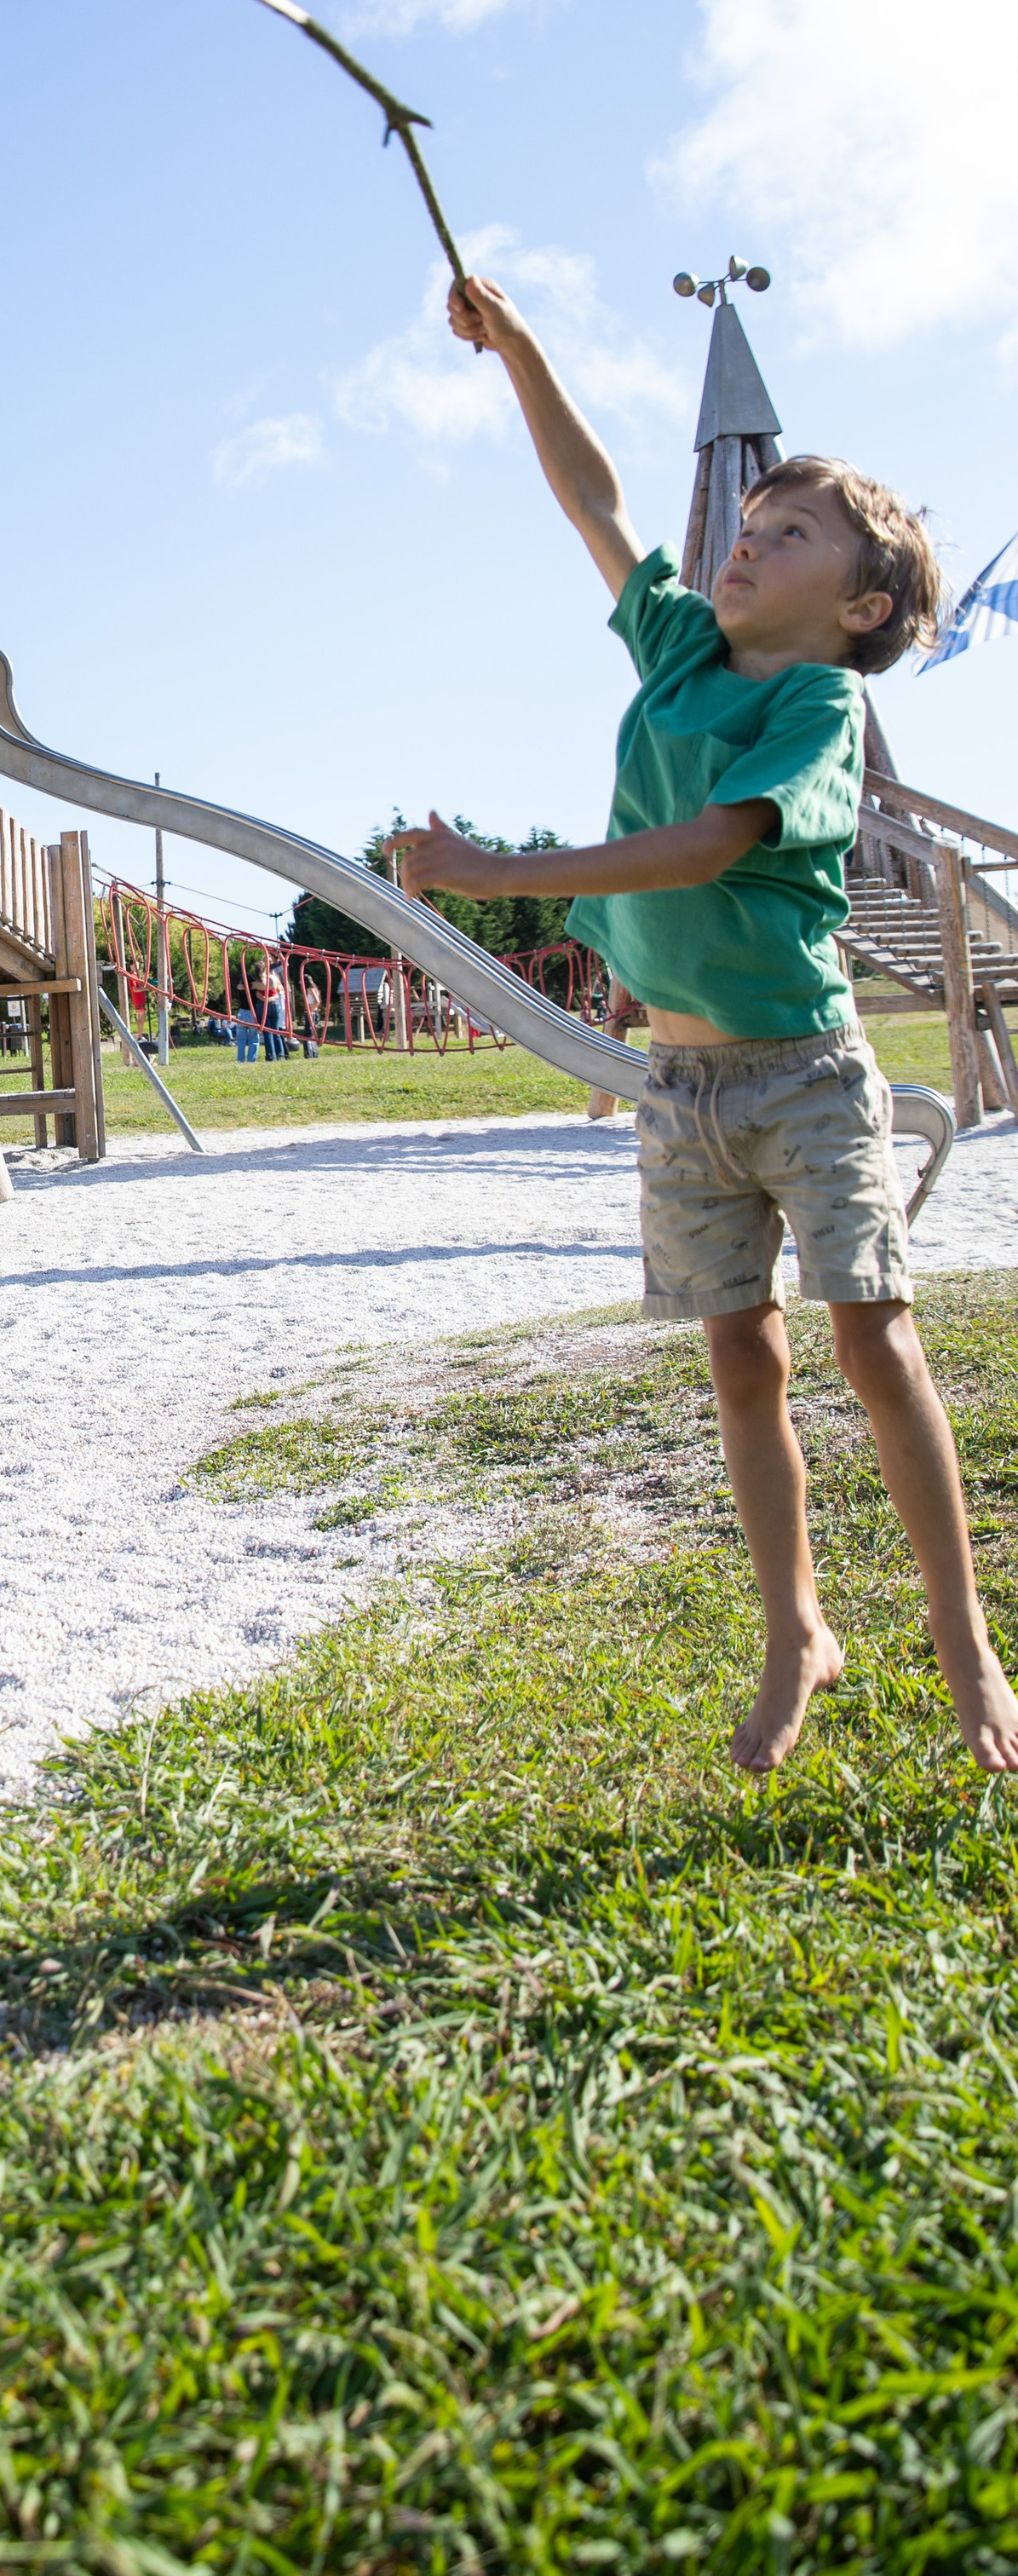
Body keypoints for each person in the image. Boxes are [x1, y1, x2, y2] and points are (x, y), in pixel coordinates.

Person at [388, 272, 1018, 1780]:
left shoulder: (816, 707)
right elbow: (593, 500)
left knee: (874, 1343)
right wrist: (523, 350)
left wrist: (503, 873)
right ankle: (796, 1627)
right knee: (743, 1359)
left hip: (803, 1076)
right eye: (747, 528)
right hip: (679, 1085)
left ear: (859, 608)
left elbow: (719, 842)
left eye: (789, 534)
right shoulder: (677, 653)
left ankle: (966, 1645)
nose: (749, 541)